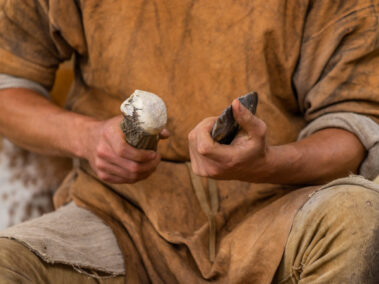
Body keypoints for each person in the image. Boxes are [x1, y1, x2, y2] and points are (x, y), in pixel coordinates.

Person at [0, 0, 378, 283]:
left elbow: (354, 121)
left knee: (359, 220)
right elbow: (8, 85)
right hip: (118, 215)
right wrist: (88, 138)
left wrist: (271, 163)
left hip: (279, 212)